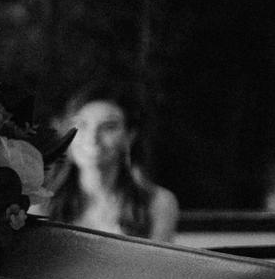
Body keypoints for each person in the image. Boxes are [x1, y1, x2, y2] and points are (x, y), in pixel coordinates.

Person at [41, 87, 180, 242]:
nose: (92, 138)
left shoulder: (159, 203)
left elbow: (158, 265)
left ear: (130, 136)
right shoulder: (39, 202)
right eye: (81, 124)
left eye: (108, 127)